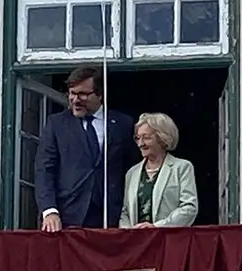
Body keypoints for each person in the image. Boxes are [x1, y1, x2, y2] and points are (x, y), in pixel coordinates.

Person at [34, 66, 138, 231]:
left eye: (83, 94)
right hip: (67, 216)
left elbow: (134, 168)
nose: (75, 100)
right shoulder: (57, 124)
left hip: (111, 216)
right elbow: (45, 170)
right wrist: (50, 211)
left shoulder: (123, 124)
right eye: (72, 93)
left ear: (100, 94)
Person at [119, 112, 199, 229]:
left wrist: (156, 227)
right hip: (138, 243)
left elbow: (189, 208)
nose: (141, 144)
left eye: (146, 138)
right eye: (137, 138)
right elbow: (125, 212)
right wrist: (128, 233)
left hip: (169, 241)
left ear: (162, 138)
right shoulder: (132, 173)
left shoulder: (182, 167)